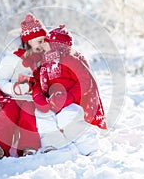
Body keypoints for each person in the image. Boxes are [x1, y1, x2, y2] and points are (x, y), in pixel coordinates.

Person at [0, 13, 47, 159]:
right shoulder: (13, 59)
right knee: (7, 115)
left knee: (29, 117)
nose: (41, 44)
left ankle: (29, 147)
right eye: (38, 41)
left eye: (43, 41)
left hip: (31, 99)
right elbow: (1, 80)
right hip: (11, 97)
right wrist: (14, 88)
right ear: (28, 41)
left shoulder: (43, 61)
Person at [30, 24, 107, 155]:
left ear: (57, 45)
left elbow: (86, 81)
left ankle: (87, 144)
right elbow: (36, 83)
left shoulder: (71, 59)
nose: (44, 46)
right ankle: (52, 143)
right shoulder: (44, 64)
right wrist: (39, 97)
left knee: (68, 115)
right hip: (53, 103)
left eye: (47, 43)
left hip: (73, 102)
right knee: (42, 115)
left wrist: (68, 96)